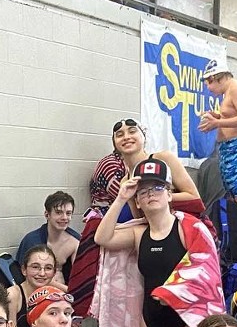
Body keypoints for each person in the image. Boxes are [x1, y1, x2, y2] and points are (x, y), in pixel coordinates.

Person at [94, 159, 223, 327]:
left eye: (157, 188)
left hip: (185, 322)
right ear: (138, 201)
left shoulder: (190, 228)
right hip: (151, 321)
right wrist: (121, 198)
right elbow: (102, 238)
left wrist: (170, 292)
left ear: (170, 194)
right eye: (143, 192)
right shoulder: (138, 233)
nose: (150, 194)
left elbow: (207, 273)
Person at [67, 118, 201, 309]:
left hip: (180, 233)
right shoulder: (125, 180)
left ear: (143, 137)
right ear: (114, 143)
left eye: (132, 131)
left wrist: (158, 198)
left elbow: (194, 197)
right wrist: (129, 199)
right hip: (154, 236)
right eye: (120, 134)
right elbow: (140, 216)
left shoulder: (164, 158)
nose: (126, 137)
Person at [198, 58, 237, 217]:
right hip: (228, 147)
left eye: (209, 83)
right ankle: (235, 225)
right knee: (231, 192)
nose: (208, 88)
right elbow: (234, 116)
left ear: (217, 78)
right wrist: (217, 116)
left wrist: (217, 122)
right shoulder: (229, 91)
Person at [16, 191, 81, 285]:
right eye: (58, 212)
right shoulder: (31, 241)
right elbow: (24, 277)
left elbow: (79, 276)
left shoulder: (75, 241)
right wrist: (66, 290)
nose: (64, 217)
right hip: (36, 290)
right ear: (47, 215)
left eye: (68, 213)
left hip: (65, 291)